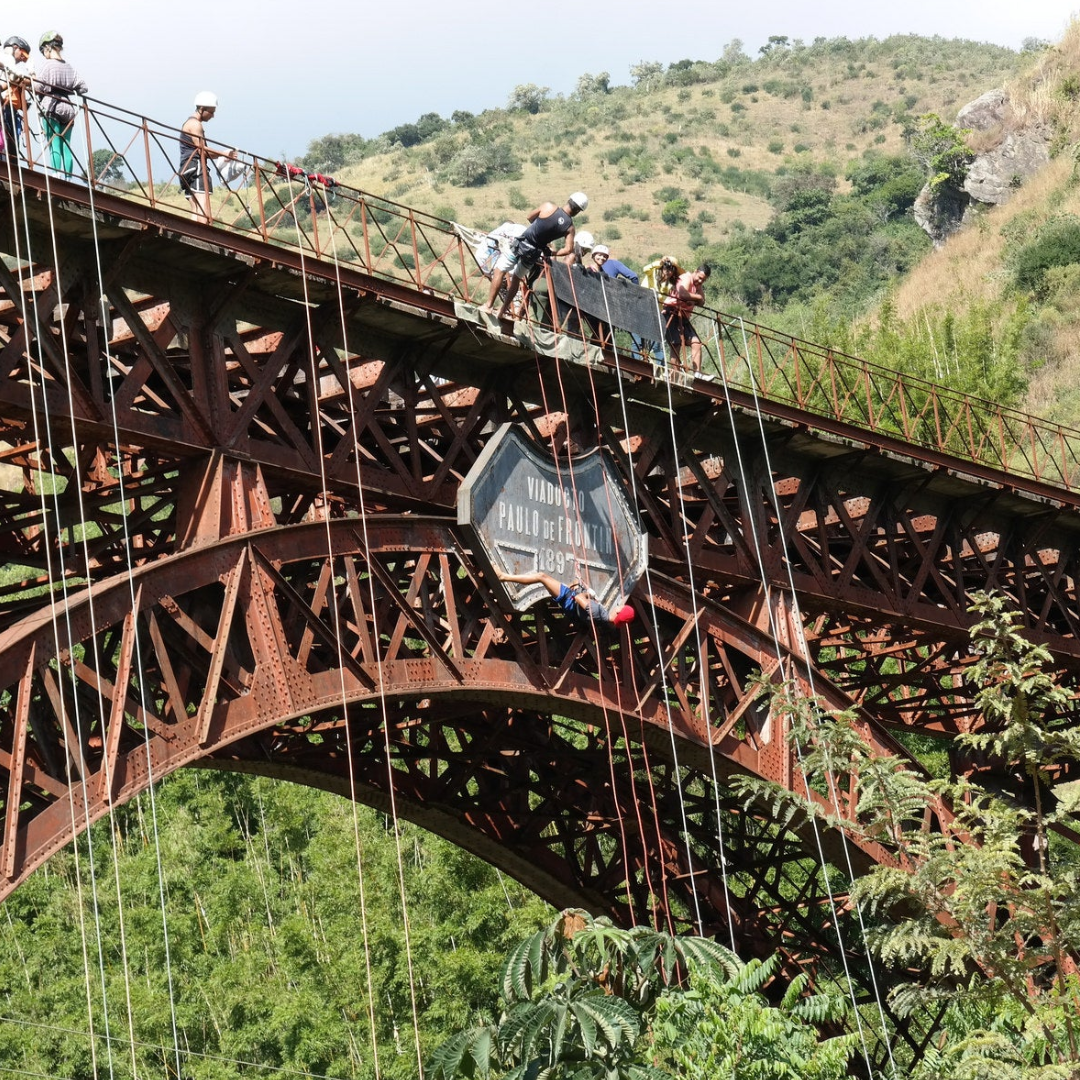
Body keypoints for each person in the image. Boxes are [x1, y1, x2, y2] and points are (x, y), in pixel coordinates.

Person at [480, 192, 588, 319]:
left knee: (500, 270)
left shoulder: (548, 207)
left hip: (521, 244)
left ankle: (488, 305)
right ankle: (503, 311)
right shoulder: (570, 228)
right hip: (533, 254)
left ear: (569, 200)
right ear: (578, 211)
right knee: (516, 279)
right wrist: (552, 253)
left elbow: (529, 217)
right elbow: (568, 249)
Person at [496, 568, 636, 628]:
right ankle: (504, 577)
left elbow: (580, 599)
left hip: (566, 597)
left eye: (621, 607)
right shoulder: (603, 619)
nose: (619, 605)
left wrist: (588, 593)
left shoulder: (599, 612)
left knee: (541, 577)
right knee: (544, 578)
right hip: (567, 600)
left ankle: (504, 577)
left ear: (619, 612)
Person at [34, 32, 87, 181]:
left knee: (54, 142)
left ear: (48, 48)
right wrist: (68, 89)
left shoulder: (47, 65)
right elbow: (83, 88)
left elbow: (38, 87)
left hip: (51, 105)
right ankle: (68, 178)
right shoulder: (69, 67)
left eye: (44, 51)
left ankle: (56, 175)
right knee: (66, 144)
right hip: (68, 108)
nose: (44, 55)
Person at [178, 91, 236, 223]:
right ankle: (204, 236)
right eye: (211, 112)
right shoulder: (195, 125)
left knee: (196, 209)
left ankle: (193, 237)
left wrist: (221, 156)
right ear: (201, 109)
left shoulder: (189, 123)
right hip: (196, 167)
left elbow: (201, 150)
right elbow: (202, 152)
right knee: (204, 208)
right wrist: (224, 153)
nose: (213, 116)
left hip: (187, 168)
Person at [663, 264, 711, 372]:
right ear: (695, 271)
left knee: (696, 343)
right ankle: (676, 372)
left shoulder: (697, 285)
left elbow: (702, 301)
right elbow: (683, 294)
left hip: (683, 316)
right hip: (671, 312)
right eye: (699, 278)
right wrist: (697, 297)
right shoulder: (686, 278)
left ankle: (697, 373)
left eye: (703, 280)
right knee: (676, 343)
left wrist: (696, 298)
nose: (700, 281)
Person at [640, 255, 682, 363]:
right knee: (639, 339)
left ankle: (660, 366)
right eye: (666, 268)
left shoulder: (670, 285)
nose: (668, 272)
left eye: (671, 270)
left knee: (657, 341)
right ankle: (637, 362)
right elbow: (645, 269)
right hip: (642, 307)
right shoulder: (653, 273)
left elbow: (669, 299)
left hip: (656, 313)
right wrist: (659, 263)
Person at [0, 36, 32, 162]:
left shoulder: (12, 66)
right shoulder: (6, 61)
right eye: (23, 53)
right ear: (15, 48)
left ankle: (11, 169)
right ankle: (9, 169)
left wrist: (29, 71)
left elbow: (29, 81)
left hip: (12, 109)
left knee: (11, 142)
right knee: (7, 141)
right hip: (5, 106)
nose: (23, 58)